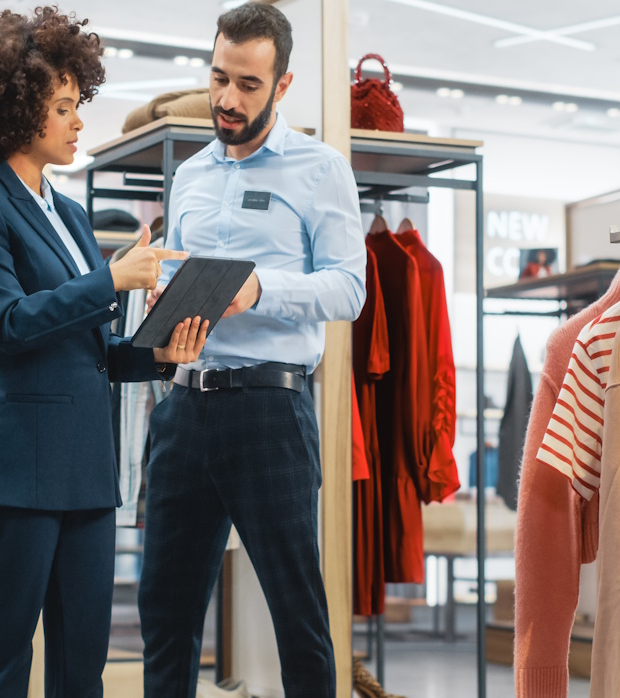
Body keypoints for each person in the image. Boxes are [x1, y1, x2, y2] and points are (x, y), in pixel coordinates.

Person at [0, 7, 206, 697]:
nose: (78, 121)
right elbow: (8, 323)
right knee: (2, 663)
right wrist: (111, 278)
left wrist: (160, 356)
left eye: (75, 104)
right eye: (63, 108)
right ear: (21, 110)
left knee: (83, 666)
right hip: (18, 473)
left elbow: (93, 350)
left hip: (86, 474)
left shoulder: (74, 216)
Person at [137, 3, 367, 696]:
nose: (227, 99)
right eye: (219, 79)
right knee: (164, 614)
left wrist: (258, 289)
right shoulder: (190, 176)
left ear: (283, 85)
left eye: (247, 85)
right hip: (182, 411)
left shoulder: (320, 170)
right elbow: (178, 273)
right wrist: (161, 301)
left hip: (270, 410)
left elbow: (349, 289)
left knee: (297, 614)